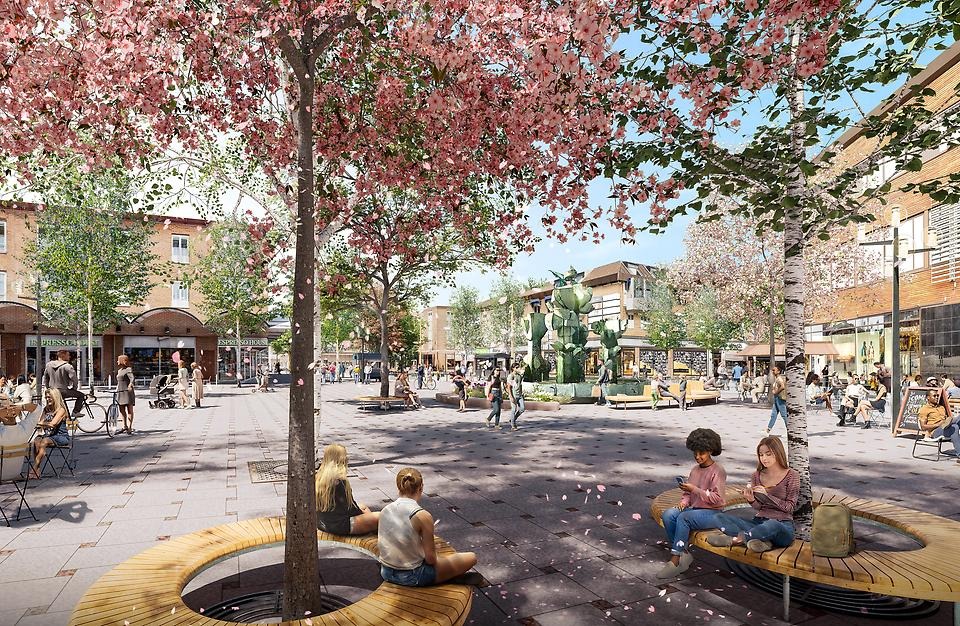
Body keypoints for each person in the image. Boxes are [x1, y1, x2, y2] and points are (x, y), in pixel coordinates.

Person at [378, 467, 479, 586]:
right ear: (421, 487)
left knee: (436, 558)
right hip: (413, 576)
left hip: (386, 572)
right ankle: (444, 578)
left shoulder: (385, 510)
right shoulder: (421, 515)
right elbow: (431, 559)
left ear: (398, 486)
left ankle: (444, 575)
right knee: (471, 557)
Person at [707, 436, 799, 553]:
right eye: (761, 455)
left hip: (782, 526)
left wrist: (768, 496)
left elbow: (790, 507)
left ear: (778, 452)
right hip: (758, 523)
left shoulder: (792, 475)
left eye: (768, 454)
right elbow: (759, 507)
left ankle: (735, 540)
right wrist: (751, 499)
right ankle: (763, 541)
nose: (764, 458)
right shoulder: (756, 475)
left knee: (772, 524)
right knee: (718, 517)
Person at [658, 428, 726, 578]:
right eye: (695, 453)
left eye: (701, 453)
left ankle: (675, 560)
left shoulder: (718, 471)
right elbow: (688, 493)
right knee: (668, 514)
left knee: (683, 518)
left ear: (710, 450)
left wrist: (695, 489)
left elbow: (718, 499)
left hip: (713, 513)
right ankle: (685, 553)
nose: (697, 457)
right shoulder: (695, 470)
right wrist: (684, 501)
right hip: (694, 510)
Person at [316, 444, 380, 535]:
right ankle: (376, 534)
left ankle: (373, 532)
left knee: (363, 506)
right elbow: (350, 509)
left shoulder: (319, 477)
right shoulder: (339, 481)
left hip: (323, 523)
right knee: (380, 516)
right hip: (341, 526)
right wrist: (364, 516)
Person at [32, 389, 70, 478]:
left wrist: (42, 424)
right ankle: (37, 470)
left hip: (61, 436)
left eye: (49, 397)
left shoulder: (61, 410)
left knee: (44, 441)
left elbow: (53, 424)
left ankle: (34, 468)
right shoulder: (46, 409)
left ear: (55, 397)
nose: (47, 399)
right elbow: (40, 422)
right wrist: (42, 424)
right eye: (46, 397)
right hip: (49, 436)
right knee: (36, 440)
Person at [42, 350, 84, 416]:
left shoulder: (48, 365)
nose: (69, 357)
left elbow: (46, 378)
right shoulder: (67, 366)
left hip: (52, 390)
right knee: (81, 395)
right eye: (68, 355)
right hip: (63, 391)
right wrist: (74, 388)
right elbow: (74, 379)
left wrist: (48, 388)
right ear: (63, 356)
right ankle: (75, 412)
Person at [116, 355, 136, 434]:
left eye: (118, 360)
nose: (117, 361)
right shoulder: (119, 370)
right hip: (120, 391)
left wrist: (130, 384)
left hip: (127, 391)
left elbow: (132, 378)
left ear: (122, 360)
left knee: (129, 410)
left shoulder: (128, 369)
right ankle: (124, 426)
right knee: (121, 410)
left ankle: (130, 427)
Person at [765, 366, 787, 435]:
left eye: (774, 370)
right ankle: (768, 430)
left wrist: (776, 392)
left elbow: (782, 386)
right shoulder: (777, 378)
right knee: (774, 414)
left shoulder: (779, 379)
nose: (773, 371)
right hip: (777, 398)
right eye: (772, 370)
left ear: (778, 371)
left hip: (779, 399)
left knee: (784, 415)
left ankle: (789, 430)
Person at [507, 362, 525, 431]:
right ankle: (513, 425)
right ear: (513, 368)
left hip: (519, 395)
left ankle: (513, 419)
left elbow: (520, 385)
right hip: (514, 395)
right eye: (516, 367)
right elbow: (509, 387)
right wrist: (511, 396)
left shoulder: (519, 375)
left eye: (518, 367)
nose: (518, 368)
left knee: (522, 409)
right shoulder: (511, 376)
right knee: (514, 409)